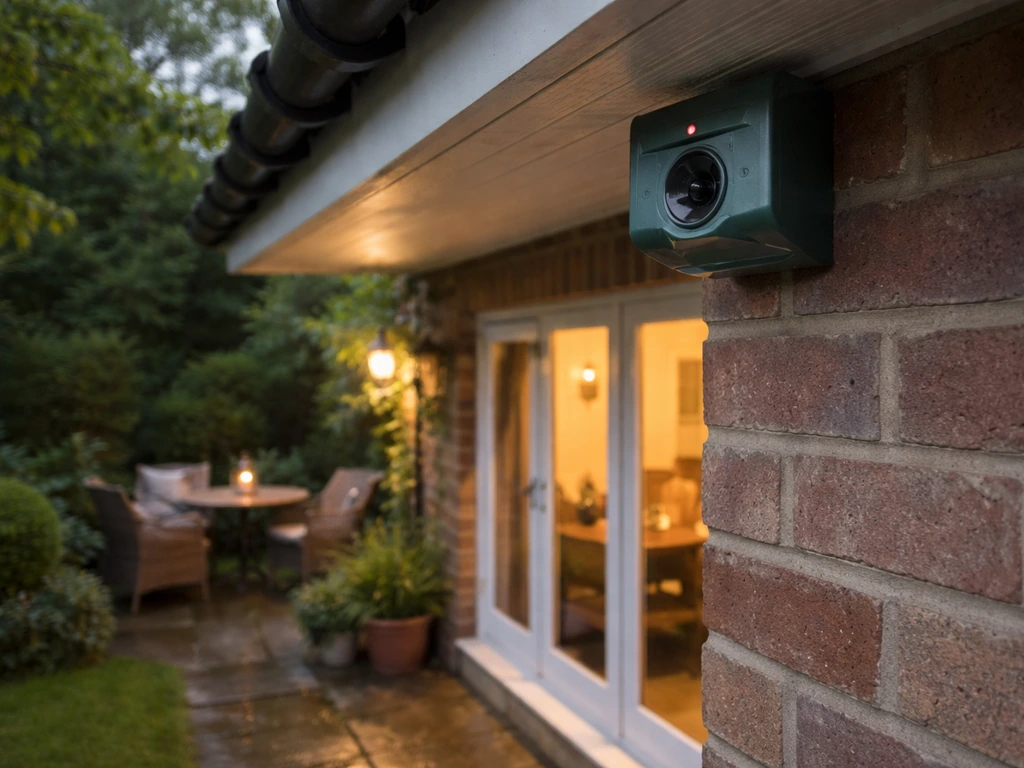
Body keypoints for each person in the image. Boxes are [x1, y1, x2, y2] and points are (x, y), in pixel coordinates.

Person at [659, 457, 700, 528]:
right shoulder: (690, 486)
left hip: (670, 523)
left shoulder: (666, 485)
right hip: (682, 524)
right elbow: (687, 514)